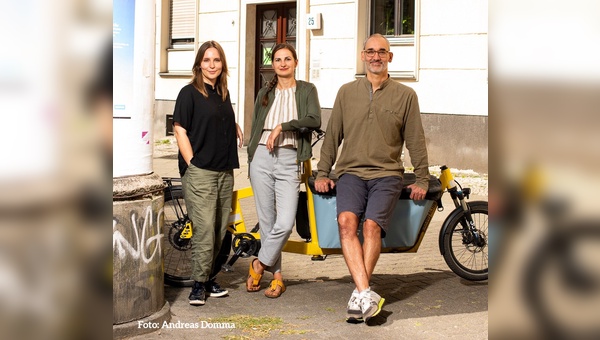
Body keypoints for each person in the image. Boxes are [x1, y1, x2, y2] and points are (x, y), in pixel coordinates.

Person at [314, 34, 430, 322]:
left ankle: (359, 295)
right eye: (370, 52)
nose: (376, 56)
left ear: (390, 57)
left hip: (387, 175)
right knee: (345, 223)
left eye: (382, 52)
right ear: (363, 56)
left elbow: (415, 140)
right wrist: (322, 172)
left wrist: (423, 179)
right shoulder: (346, 92)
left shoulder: (406, 96)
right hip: (350, 171)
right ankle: (365, 293)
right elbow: (333, 137)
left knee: (370, 228)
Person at [246, 43, 321, 298]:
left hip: (289, 158)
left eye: (287, 59)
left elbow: (314, 120)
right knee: (267, 222)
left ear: (295, 62)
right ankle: (277, 278)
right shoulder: (265, 92)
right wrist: (251, 154)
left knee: (285, 221)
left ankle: (258, 264)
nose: (282, 63)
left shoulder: (307, 90)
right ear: (273, 64)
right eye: (277, 59)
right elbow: (256, 122)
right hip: (261, 157)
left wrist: (282, 126)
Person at [172, 40, 243, 306]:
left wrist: (231, 123)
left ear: (222, 64)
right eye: (207, 60)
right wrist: (191, 163)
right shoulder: (188, 93)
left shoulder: (222, 93)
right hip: (200, 171)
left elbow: (211, 117)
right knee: (203, 231)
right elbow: (180, 129)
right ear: (199, 64)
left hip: (224, 170)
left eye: (216, 60)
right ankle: (198, 285)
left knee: (218, 230)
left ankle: (210, 277)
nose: (212, 65)